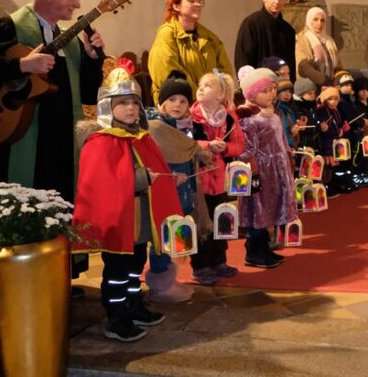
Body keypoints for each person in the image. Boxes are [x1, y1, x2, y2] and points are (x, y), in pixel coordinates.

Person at [0, 0, 104, 202]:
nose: (77, 5)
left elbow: (87, 94)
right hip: (23, 138)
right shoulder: (10, 28)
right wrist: (20, 66)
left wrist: (92, 59)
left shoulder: (70, 41)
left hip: (63, 144)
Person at [73, 73, 180, 342]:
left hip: (140, 220)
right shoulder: (100, 141)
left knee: (136, 264)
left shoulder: (141, 137)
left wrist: (167, 177)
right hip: (119, 221)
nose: (130, 108)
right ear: (108, 108)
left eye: (134, 102)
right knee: (117, 270)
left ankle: (134, 306)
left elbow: (152, 169)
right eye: (122, 103)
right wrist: (142, 178)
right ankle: (116, 316)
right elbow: (104, 183)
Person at [144, 72, 212, 303]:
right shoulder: (155, 127)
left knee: (174, 235)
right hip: (164, 191)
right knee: (161, 237)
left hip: (183, 191)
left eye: (183, 101)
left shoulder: (186, 127)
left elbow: (187, 151)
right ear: (162, 102)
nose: (177, 105)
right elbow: (150, 160)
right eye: (172, 99)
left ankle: (170, 280)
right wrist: (170, 175)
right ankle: (160, 285)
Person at [236, 66, 296, 270]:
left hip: (277, 169)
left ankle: (265, 248)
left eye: (273, 89)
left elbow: (281, 140)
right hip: (260, 171)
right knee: (259, 210)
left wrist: (288, 153)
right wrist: (253, 172)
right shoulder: (250, 119)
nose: (271, 94)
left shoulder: (274, 114)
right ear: (252, 95)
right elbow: (247, 149)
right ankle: (254, 251)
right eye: (265, 91)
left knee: (271, 208)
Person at [188, 71, 244, 286]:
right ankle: (201, 266)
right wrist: (206, 146)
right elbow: (186, 142)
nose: (200, 88)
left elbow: (239, 144)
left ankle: (219, 261)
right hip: (199, 180)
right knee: (202, 223)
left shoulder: (229, 117)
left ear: (221, 95)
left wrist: (226, 147)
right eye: (200, 85)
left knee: (221, 219)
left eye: (207, 86)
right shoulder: (191, 117)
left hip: (220, 179)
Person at [147, 0, 234, 105]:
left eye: (199, 2)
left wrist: (219, 95)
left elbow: (225, 70)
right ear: (176, 6)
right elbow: (167, 72)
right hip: (178, 106)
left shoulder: (210, 38)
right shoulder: (166, 34)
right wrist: (198, 96)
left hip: (210, 105)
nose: (197, 5)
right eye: (191, 1)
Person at [234, 0, 296, 72]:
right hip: (257, 83)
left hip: (282, 83)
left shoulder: (288, 30)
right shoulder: (251, 23)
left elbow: (290, 64)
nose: (277, 1)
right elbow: (243, 60)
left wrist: (290, 85)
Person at [294, 7, 342, 86]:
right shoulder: (300, 39)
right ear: (309, 20)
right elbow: (303, 66)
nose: (319, 23)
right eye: (315, 19)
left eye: (322, 20)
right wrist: (325, 81)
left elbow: (338, 65)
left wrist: (341, 78)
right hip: (310, 86)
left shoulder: (330, 40)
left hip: (331, 84)